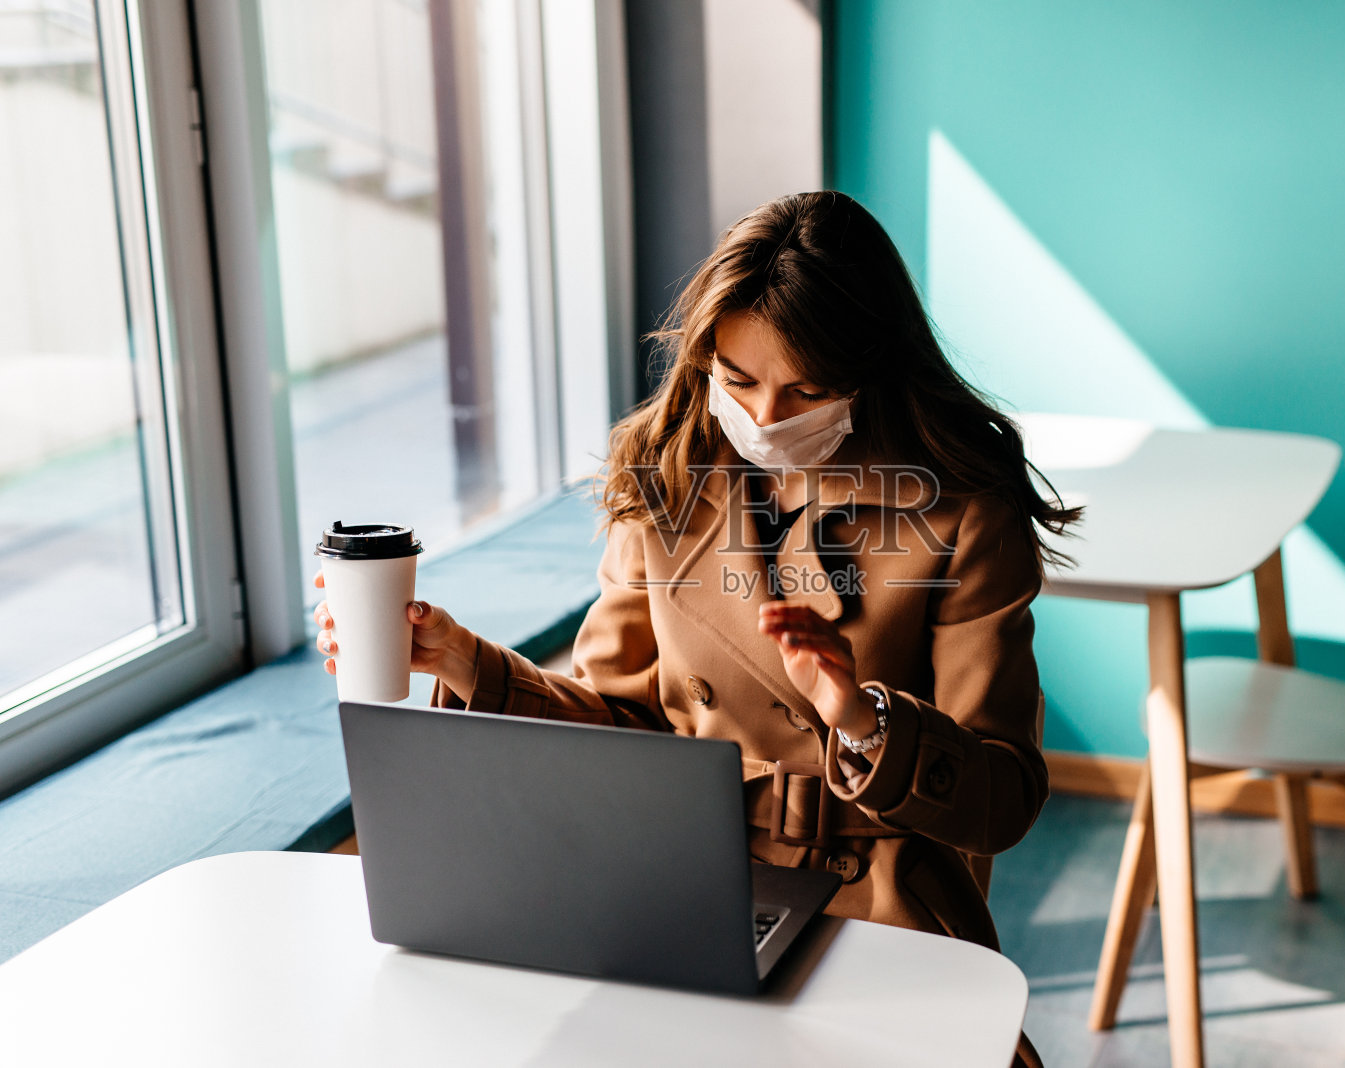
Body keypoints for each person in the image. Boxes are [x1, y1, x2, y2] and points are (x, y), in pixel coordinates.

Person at [314, 190, 1076, 1062]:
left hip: (883, 900)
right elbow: (624, 728)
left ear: (873, 369)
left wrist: (861, 718)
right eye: (739, 380)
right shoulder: (665, 470)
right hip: (680, 883)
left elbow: (1005, 798)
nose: (766, 418)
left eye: (809, 390)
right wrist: (466, 662)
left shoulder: (965, 507)